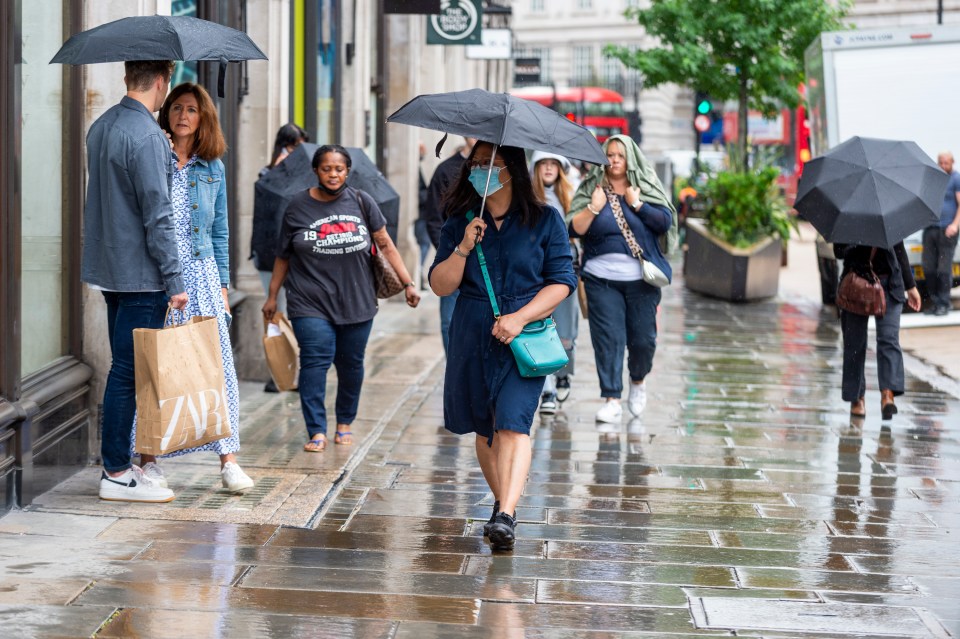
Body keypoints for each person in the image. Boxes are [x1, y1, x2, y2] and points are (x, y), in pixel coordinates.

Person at [429, 142, 576, 551]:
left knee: (513, 422)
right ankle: (501, 503)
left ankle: (507, 513)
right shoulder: (462, 221)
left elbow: (563, 279)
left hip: (524, 334)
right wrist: (462, 247)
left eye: (487, 165)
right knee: (484, 428)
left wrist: (520, 317)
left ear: (511, 168)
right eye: (474, 166)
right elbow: (441, 285)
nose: (480, 172)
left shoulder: (545, 220)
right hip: (472, 330)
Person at [130, 82, 254, 494]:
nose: (183, 115)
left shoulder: (211, 166)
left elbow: (219, 231)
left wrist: (222, 284)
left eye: (192, 110)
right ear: (166, 113)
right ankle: (149, 458)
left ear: (204, 119)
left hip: (200, 274)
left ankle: (229, 460)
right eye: (177, 108)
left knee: (214, 366)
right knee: (158, 364)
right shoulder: (155, 156)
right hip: (160, 274)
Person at [263, 145, 421, 453]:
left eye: (339, 169)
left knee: (351, 365)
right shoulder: (297, 207)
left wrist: (408, 283)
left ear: (347, 171)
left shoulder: (362, 201)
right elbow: (283, 256)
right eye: (326, 168)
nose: (333, 174)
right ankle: (317, 429)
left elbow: (385, 244)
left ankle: (345, 421)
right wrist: (272, 297)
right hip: (309, 301)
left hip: (357, 300)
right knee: (314, 362)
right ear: (316, 171)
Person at [81, 60, 184, 503]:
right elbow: (157, 215)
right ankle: (117, 472)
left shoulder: (103, 125)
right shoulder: (145, 136)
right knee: (128, 372)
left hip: (112, 268)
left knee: (124, 368)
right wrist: (175, 279)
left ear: (127, 78)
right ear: (162, 82)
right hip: (142, 273)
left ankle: (118, 467)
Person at [568, 135, 676, 424]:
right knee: (609, 340)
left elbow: (665, 222)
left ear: (630, 159)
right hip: (600, 279)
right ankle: (612, 398)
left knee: (643, 341)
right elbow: (572, 227)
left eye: (620, 155)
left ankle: (638, 380)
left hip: (641, 280)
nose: (614, 160)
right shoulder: (592, 187)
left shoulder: (644, 185)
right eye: (610, 155)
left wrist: (638, 204)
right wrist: (593, 207)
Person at [834, 242, 921, 419]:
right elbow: (839, 251)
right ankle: (856, 397)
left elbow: (899, 248)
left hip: (889, 284)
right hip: (857, 283)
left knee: (889, 339)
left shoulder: (887, 216)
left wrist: (910, 286)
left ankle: (887, 394)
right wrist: (860, 242)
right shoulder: (850, 216)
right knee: (854, 343)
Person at [252, 123, 308, 392]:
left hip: (296, 257)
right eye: (294, 145)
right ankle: (278, 373)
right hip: (269, 255)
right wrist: (279, 173)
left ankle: (293, 371)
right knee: (276, 313)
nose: (297, 151)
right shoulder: (267, 174)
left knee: (296, 315)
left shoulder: (306, 178)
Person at [529, 151, 579, 415]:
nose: (548, 169)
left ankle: (563, 374)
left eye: (553, 164)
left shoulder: (571, 195)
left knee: (566, 327)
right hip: (537, 267)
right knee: (540, 324)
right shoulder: (526, 195)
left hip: (566, 267)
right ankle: (546, 387)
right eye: (543, 164)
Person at [426, 137, 477, 354]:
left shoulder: (499, 171)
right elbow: (433, 218)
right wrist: (450, 254)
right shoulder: (446, 170)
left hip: (486, 263)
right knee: (450, 323)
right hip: (454, 259)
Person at [922, 152, 960, 316]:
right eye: (941, 163)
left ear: (952, 162)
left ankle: (944, 302)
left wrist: (955, 225)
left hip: (947, 229)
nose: (943, 166)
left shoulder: (956, 178)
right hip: (930, 228)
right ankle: (935, 302)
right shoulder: (935, 179)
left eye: (946, 163)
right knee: (929, 267)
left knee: (943, 268)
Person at [414, 142, 432, 289]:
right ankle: (418, 269)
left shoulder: (417, 168)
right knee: (424, 243)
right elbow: (420, 192)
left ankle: (419, 270)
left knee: (424, 243)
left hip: (423, 213)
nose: (423, 155)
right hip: (421, 213)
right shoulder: (414, 168)